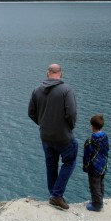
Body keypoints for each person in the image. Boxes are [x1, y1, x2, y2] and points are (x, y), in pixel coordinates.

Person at [28, 63, 78, 210]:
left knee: (51, 165)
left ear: (47, 73)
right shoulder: (66, 90)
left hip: (46, 136)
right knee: (69, 162)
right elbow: (71, 113)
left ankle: (53, 195)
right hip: (63, 136)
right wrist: (70, 127)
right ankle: (56, 195)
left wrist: (42, 124)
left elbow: (31, 113)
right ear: (60, 74)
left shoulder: (36, 91)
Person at [82, 114, 109, 212]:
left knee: (94, 185)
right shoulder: (105, 137)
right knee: (101, 184)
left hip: (94, 168)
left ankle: (97, 205)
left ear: (92, 127)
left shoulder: (89, 141)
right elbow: (107, 150)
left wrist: (85, 167)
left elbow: (86, 156)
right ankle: (100, 200)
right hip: (103, 165)